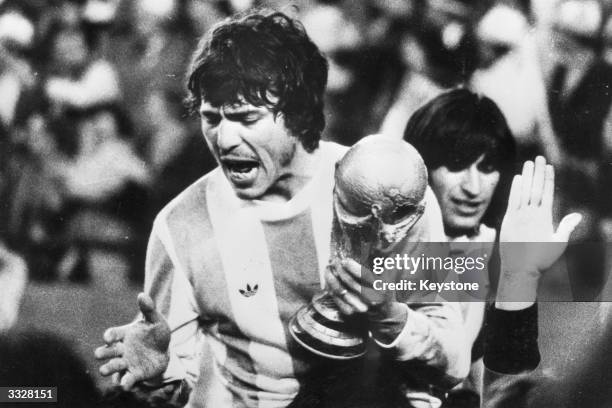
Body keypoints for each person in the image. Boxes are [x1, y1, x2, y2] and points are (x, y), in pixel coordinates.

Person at [95, 10, 470, 408]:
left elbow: (453, 362)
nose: (224, 138)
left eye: (246, 118)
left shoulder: (388, 191)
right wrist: (159, 372)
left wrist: (393, 317)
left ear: (297, 113)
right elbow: (174, 383)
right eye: (212, 118)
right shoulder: (181, 225)